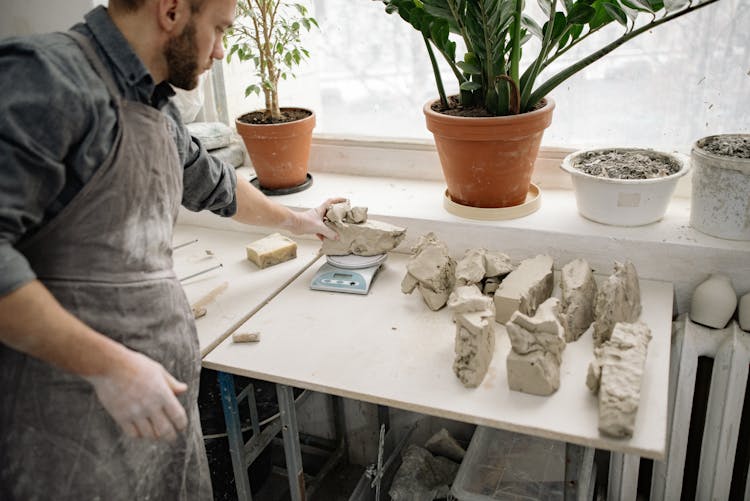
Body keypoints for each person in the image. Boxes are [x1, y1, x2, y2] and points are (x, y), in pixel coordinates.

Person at [0, 0, 340, 498]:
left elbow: (217, 185)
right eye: (219, 30)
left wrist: (298, 221)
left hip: (156, 414)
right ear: (172, 10)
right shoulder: (47, 78)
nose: (222, 51)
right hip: (69, 424)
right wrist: (108, 366)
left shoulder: (155, 107)